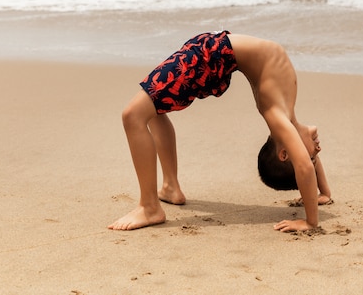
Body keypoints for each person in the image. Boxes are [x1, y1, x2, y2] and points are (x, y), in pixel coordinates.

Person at [108, 31, 332, 232]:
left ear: (285, 153)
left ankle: (149, 207)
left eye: (314, 156)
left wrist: (310, 222)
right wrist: (324, 193)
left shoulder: (278, 116)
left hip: (212, 55)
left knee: (133, 115)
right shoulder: (288, 116)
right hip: (215, 52)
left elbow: (303, 165)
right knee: (155, 108)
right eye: (315, 157)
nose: (318, 151)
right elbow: (304, 163)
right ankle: (170, 187)